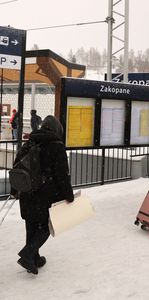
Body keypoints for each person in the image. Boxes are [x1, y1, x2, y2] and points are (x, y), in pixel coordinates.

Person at [12, 115, 74, 275]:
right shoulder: (56, 146)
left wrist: (15, 189)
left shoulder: (30, 142)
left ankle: (34, 259)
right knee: (45, 227)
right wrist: (69, 195)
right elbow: (62, 175)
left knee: (31, 226)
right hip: (44, 194)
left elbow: (17, 167)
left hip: (27, 192)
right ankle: (27, 255)